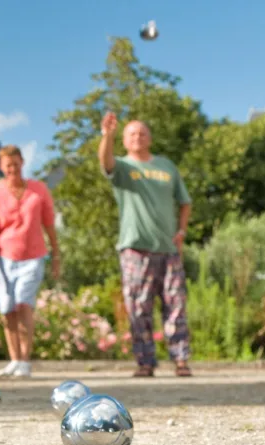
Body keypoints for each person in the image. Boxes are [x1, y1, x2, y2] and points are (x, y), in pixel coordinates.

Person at [98, 111, 193, 378]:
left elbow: (185, 201)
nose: (137, 137)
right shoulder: (123, 167)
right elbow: (105, 161)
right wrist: (108, 135)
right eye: (131, 134)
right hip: (135, 246)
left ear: (149, 138)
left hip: (168, 248)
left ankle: (181, 359)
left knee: (176, 305)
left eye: (141, 133)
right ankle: (145, 361)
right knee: (139, 307)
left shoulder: (166, 167)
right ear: (125, 140)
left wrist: (181, 231)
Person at [0, 145, 60, 378]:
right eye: (8, 165)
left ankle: (25, 360)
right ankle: (14, 359)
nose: (12, 169)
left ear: (22, 162)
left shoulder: (38, 190)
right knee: (7, 310)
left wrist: (56, 255)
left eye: (15, 164)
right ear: (1, 167)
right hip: (3, 257)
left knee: (24, 304)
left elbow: (49, 224)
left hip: (33, 256)